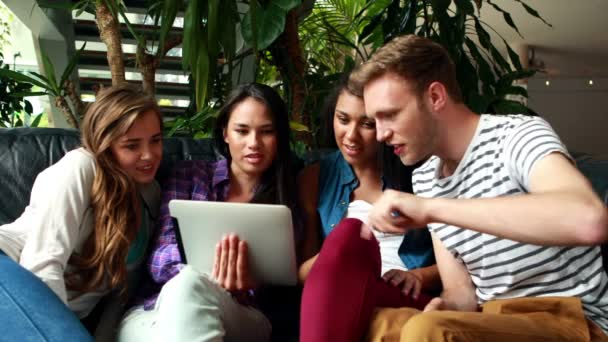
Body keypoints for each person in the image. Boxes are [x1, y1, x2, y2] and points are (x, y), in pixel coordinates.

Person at [346, 34, 608, 341]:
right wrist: (448, 305)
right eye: (375, 120)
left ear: (435, 97)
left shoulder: (516, 136)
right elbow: (461, 291)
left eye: (389, 115)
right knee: (380, 322)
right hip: (494, 319)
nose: (380, 135)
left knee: (425, 330)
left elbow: (588, 219)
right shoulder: (426, 178)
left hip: (573, 320)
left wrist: (430, 209)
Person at [117, 83, 299, 342]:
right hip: (153, 310)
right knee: (188, 285)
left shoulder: (290, 193)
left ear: (279, 136)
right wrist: (216, 271)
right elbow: (159, 260)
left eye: (266, 132)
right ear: (225, 133)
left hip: (242, 313)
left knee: (191, 283)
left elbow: (284, 278)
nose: (254, 143)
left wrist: (243, 284)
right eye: (242, 131)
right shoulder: (190, 176)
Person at [0, 85, 163, 341]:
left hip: (58, 317)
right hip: (12, 272)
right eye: (132, 145)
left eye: (155, 140)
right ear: (106, 144)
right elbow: (42, 265)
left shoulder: (151, 195)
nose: (149, 155)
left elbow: (121, 294)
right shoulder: (81, 168)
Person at [298, 77, 440, 342]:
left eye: (366, 124)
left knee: (350, 231)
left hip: (401, 295)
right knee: (349, 233)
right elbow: (303, 274)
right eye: (342, 119)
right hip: (340, 290)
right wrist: (340, 258)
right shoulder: (314, 178)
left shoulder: (419, 173)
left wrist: (418, 275)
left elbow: (458, 263)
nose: (351, 135)